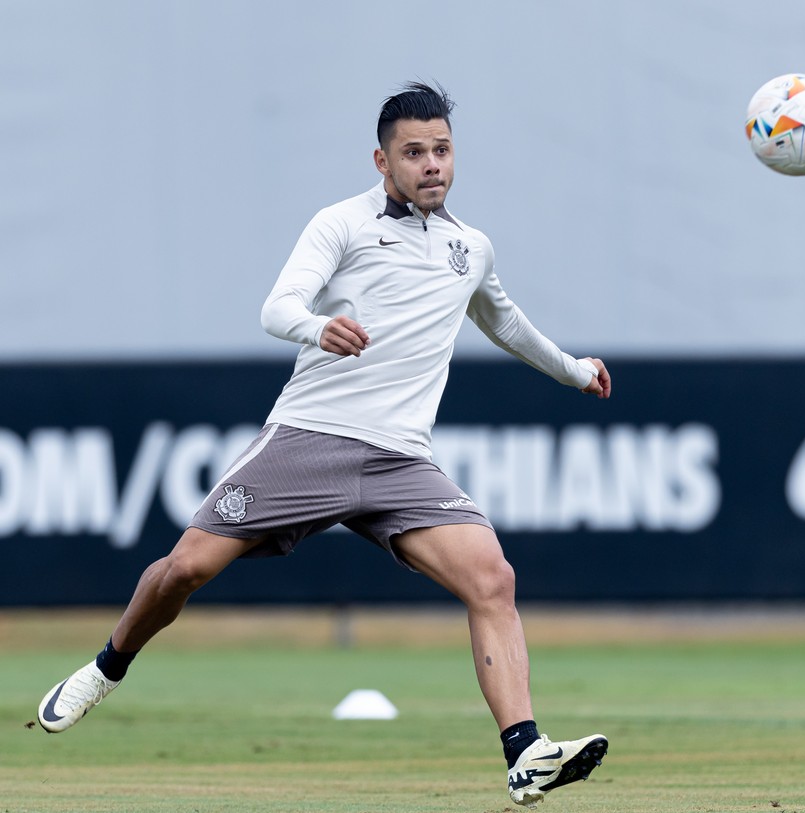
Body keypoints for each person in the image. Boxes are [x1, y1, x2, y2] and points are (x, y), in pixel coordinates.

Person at [37, 81, 610, 808]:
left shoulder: (470, 248)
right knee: (184, 568)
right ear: (381, 160)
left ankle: (525, 751)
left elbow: (506, 322)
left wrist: (574, 370)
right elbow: (277, 307)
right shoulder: (341, 223)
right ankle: (106, 667)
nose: (432, 164)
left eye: (441, 149)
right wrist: (317, 328)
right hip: (311, 439)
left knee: (492, 578)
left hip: (402, 459)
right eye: (414, 153)